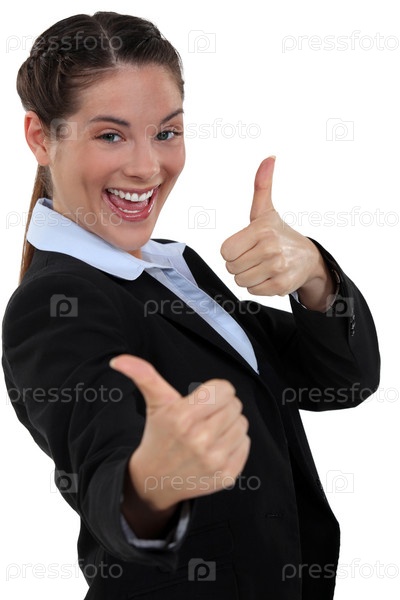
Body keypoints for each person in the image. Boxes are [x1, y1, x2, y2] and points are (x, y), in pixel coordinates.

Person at [2, 11, 380, 600]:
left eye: (166, 132)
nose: (147, 166)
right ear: (39, 138)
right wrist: (150, 483)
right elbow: (102, 472)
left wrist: (313, 274)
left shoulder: (170, 270)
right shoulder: (55, 303)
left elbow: (340, 379)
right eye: (110, 135)